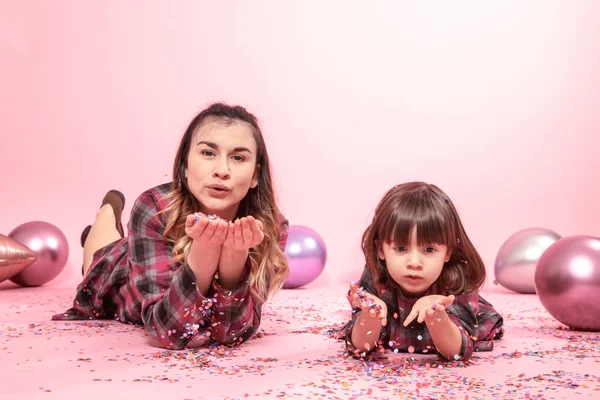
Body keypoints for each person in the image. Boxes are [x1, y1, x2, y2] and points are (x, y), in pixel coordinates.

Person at [52, 103, 289, 350]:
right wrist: (204, 252)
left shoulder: (270, 228)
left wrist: (234, 260)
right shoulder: (155, 208)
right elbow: (169, 332)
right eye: (208, 153)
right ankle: (106, 214)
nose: (222, 171)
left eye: (238, 158)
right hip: (120, 275)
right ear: (185, 164)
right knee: (97, 255)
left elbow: (229, 334)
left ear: (254, 175)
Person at [344, 182, 504, 361]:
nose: (414, 262)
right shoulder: (377, 276)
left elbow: (457, 352)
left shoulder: (457, 280)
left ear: (447, 253)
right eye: (401, 248)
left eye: (429, 250)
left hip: (451, 323)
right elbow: (359, 347)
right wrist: (370, 315)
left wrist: (437, 317)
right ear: (381, 249)